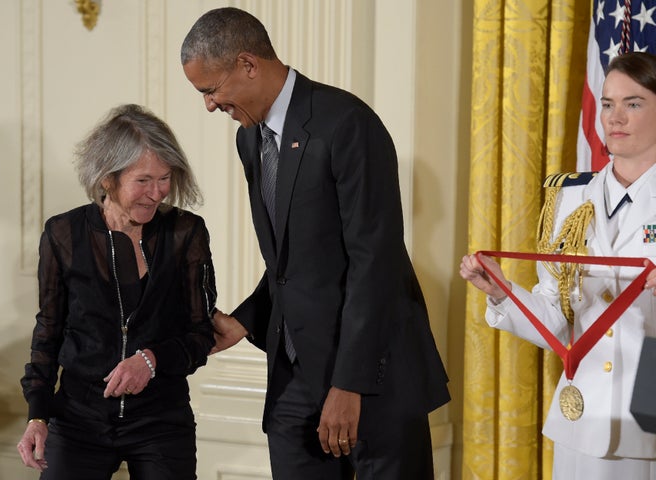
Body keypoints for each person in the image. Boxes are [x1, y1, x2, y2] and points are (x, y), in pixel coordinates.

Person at [181, 7, 450, 479]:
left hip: (372, 379)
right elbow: (293, 258)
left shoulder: (345, 123)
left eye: (211, 90)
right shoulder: (250, 139)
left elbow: (375, 263)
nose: (208, 105)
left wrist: (350, 384)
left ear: (248, 64)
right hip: (294, 380)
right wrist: (246, 321)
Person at [460, 51, 656, 479]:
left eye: (633, 103)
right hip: (581, 417)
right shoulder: (570, 199)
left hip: (649, 419)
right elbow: (560, 323)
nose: (615, 117)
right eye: (607, 103)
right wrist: (502, 292)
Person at [16, 104, 216, 480]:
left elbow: (201, 334)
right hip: (78, 421)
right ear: (107, 179)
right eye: (143, 180)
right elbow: (48, 331)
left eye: (164, 178)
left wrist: (151, 359)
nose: (156, 194)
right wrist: (37, 415)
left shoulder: (185, 233)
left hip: (161, 421)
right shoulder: (63, 234)